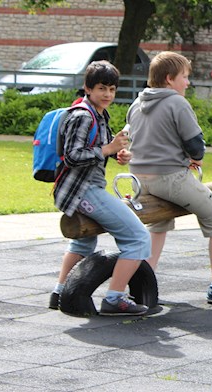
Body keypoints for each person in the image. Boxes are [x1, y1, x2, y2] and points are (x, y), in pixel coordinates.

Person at [126, 51, 212, 305]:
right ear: (170, 79)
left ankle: (142, 287)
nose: (188, 82)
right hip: (169, 177)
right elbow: (195, 144)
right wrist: (195, 157)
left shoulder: (137, 103)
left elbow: (133, 137)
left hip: (139, 178)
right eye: (184, 77)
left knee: (158, 226)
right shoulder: (177, 103)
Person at [49, 60, 152, 315]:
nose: (107, 94)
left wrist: (118, 154)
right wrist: (107, 149)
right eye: (102, 88)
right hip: (82, 189)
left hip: (84, 187)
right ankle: (114, 298)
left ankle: (59, 293)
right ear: (88, 88)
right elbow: (72, 156)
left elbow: (98, 149)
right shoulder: (83, 116)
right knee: (138, 238)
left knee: (83, 244)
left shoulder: (97, 114)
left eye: (112, 89)